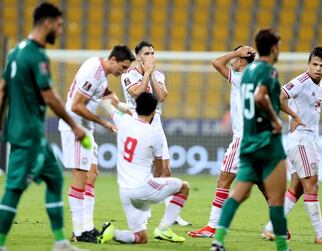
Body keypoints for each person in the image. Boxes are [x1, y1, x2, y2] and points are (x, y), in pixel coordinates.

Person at [0, 3, 88, 251]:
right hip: (27, 137)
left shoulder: (15, 53)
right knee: (14, 190)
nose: (60, 31)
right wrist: (75, 126)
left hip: (32, 135)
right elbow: (49, 97)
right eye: (59, 25)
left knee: (54, 177)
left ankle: (60, 241)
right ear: (48, 23)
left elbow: (2, 90)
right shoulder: (37, 56)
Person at [211, 28, 290, 251]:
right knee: (276, 198)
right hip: (267, 141)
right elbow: (260, 97)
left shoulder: (246, 74)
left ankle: (218, 240)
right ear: (274, 48)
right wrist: (276, 120)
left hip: (248, 143)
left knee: (238, 194)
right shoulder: (268, 71)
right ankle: (283, 247)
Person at [261, 47, 322, 245]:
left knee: (297, 188)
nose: (317, 68)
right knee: (312, 185)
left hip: (308, 140)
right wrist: (293, 115)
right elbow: (278, 96)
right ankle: (321, 234)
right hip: (301, 141)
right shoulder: (301, 82)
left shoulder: (321, 84)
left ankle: (272, 227)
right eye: (314, 64)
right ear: (308, 64)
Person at [58, 44, 135, 242]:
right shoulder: (93, 71)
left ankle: (88, 227)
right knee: (80, 177)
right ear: (114, 60)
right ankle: (79, 231)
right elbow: (76, 106)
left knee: (92, 174)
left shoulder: (101, 70)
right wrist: (104, 123)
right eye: (124, 67)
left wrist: (121, 107)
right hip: (75, 128)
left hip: (85, 129)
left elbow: (105, 92)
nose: (124, 71)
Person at [98, 92, 189, 244]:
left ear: (137, 106)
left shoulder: (123, 120)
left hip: (125, 191)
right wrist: (155, 189)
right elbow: (159, 170)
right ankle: (164, 229)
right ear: (154, 111)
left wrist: (114, 101)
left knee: (141, 238)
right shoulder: (155, 134)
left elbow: (106, 105)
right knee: (184, 187)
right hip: (142, 188)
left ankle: (112, 232)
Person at [188, 45, 257, 238]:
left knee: (223, 179)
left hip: (242, 137)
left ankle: (212, 226)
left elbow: (216, 62)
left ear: (242, 62)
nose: (232, 61)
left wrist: (237, 52)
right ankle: (279, 228)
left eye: (235, 59)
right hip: (256, 136)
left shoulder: (241, 78)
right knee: (261, 183)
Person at [121, 40, 190, 226]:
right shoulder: (128, 74)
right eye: (146, 54)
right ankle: (143, 208)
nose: (150, 57)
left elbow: (161, 97)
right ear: (138, 57)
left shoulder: (158, 75)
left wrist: (151, 74)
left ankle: (171, 214)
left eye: (152, 53)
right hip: (137, 123)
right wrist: (148, 73)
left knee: (164, 169)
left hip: (156, 124)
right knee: (141, 169)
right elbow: (138, 93)